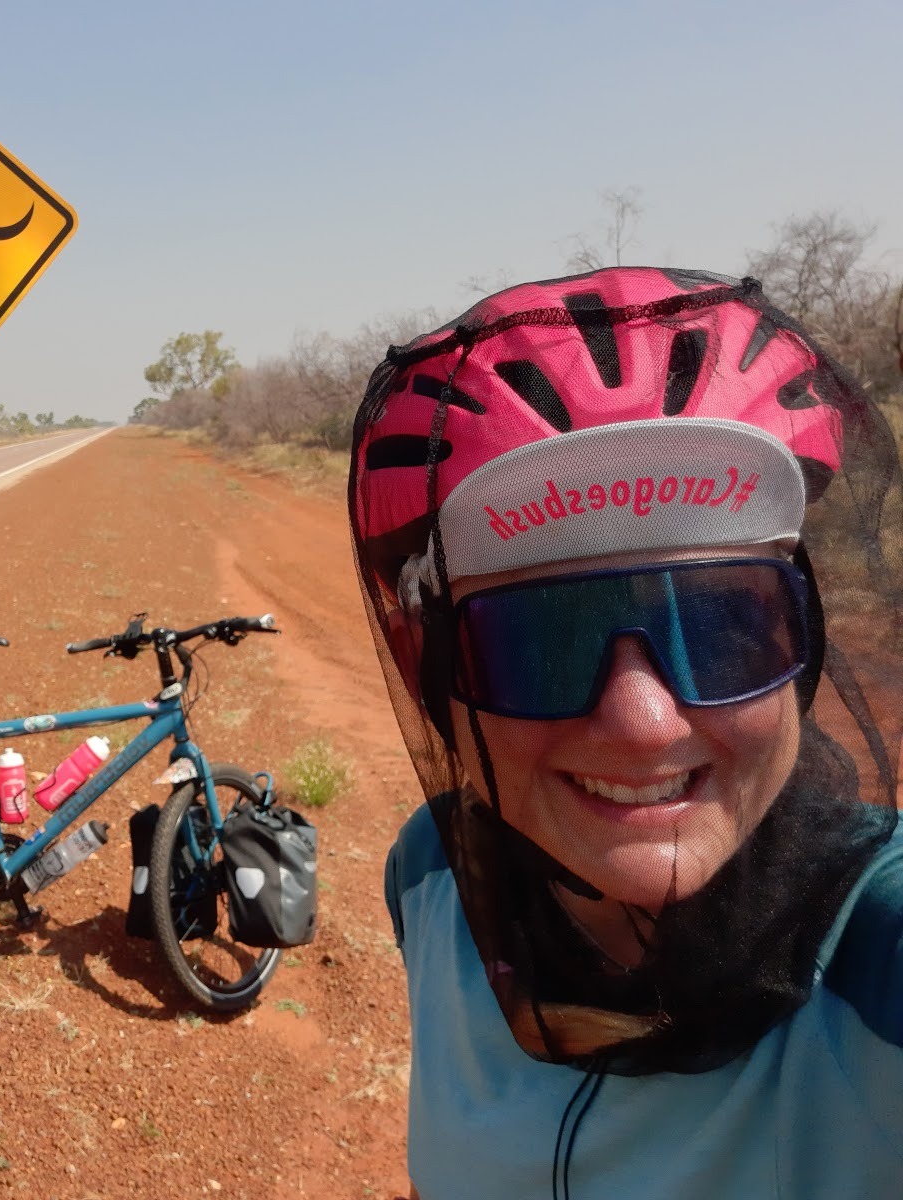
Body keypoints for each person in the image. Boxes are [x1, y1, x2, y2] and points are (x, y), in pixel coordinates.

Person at [347, 267, 903, 1199]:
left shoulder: (877, 956)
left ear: (802, 635)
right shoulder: (435, 876)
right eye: (540, 638)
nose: (644, 725)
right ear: (423, 666)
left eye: (723, 623)